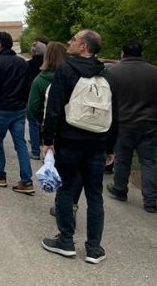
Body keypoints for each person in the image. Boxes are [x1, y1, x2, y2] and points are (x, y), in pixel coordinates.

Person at [41, 30, 118, 265]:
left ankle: (66, 241)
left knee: (66, 189)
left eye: (73, 40)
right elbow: (115, 114)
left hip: (69, 140)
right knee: (95, 194)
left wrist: (47, 141)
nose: (69, 42)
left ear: (84, 46)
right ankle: (94, 248)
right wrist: (110, 147)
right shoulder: (107, 74)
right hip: (96, 143)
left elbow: (53, 109)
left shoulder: (65, 71)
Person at [105, 40, 157, 213]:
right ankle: (150, 201)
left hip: (123, 122)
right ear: (141, 53)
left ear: (123, 53)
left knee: (122, 158)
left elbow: (105, 99)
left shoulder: (113, 72)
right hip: (148, 124)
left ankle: (120, 190)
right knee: (149, 162)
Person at [26, 42, 81, 219]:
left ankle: (62, 208)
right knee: (76, 171)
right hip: (77, 128)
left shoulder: (41, 80)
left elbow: (33, 107)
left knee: (59, 170)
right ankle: (72, 203)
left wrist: (42, 124)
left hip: (53, 130)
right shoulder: (76, 75)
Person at [0, 31, 34, 194]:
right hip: (18, 110)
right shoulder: (22, 63)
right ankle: (26, 181)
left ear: (0, 44)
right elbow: (28, 87)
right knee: (21, 144)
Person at [26, 38, 48, 159]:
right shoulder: (49, 65)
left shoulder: (28, 64)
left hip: (32, 97)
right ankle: (48, 150)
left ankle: (35, 151)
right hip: (48, 98)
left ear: (34, 52)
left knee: (33, 124)